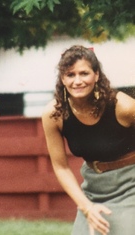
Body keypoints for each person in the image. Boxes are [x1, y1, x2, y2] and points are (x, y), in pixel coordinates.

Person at [42, 45, 135, 235]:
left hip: (130, 185)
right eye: (70, 75)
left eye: (84, 73)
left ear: (96, 75)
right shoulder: (54, 114)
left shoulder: (123, 106)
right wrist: (86, 207)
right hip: (93, 188)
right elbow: (61, 167)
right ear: (62, 78)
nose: (77, 81)